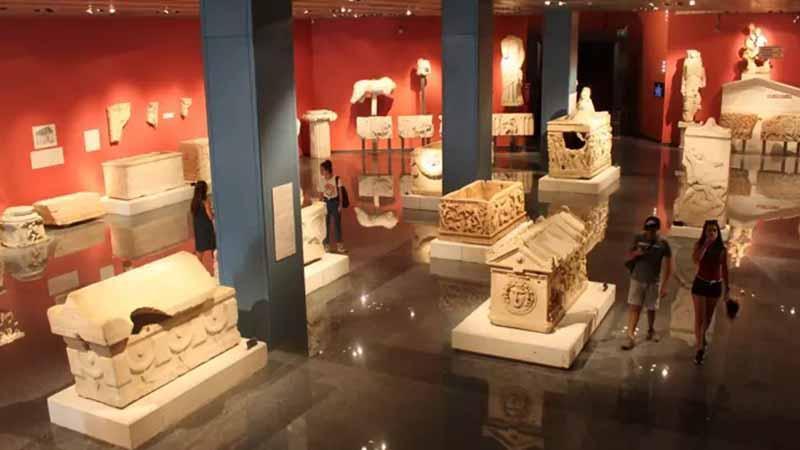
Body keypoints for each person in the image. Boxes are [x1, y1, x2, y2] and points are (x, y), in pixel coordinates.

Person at [621, 216, 672, 350]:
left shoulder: (663, 243)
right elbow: (628, 255)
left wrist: (665, 285)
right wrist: (636, 254)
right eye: (648, 230)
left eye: (653, 230)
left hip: (653, 281)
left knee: (651, 308)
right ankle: (630, 335)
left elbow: (669, 264)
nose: (650, 233)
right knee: (634, 307)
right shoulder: (638, 238)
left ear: (657, 229)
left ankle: (650, 329)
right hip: (637, 278)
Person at [691, 220, 729, 365]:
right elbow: (696, 259)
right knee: (699, 318)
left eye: (714, 230)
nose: (712, 232)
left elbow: (724, 269)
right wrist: (706, 245)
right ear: (704, 232)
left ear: (718, 232)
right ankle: (700, 348)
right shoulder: (699, 245)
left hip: (715, 285)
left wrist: (727, 288)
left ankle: (701, 338)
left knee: (707, 318)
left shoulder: (722, 249)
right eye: (709, 230)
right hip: (700, 283)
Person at [319, 160, 346, 254]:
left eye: (322, 169)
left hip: (335, 203)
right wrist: (320, 206)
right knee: (325, 225)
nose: (321, 171)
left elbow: (340, 193)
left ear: (327, 170)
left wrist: (340, 205)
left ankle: (339, 245)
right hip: (326, 203)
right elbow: (321, 194)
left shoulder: (337, 179)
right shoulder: (321, 180)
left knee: (337, 225)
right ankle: (326, 245)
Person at [191, 180, 216, 271]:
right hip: (206, 228)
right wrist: (214, 214)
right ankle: (216, 267)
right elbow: (210, 216)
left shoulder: (194, 202)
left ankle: (197, 269)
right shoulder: (205, 201)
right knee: (213, 246)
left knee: (200, 249)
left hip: (198, 228)